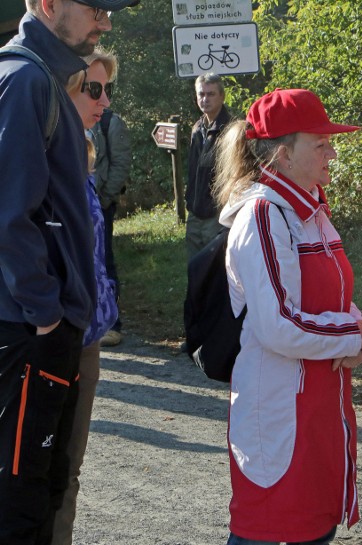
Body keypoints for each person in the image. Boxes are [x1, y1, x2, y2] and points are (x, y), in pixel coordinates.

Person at [212, 88, 362, 545]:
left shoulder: (311, 210)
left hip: (320, 402)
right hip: (281, 410)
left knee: (314, 529)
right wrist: (353, 337)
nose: (333, 151)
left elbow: (337, 298)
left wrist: (357, 330)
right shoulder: (263, 215)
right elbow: (277, 325)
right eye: (320, 143)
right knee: (267, 531)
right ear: (283, 155)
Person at [0, 0, 135, 543]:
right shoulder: (25, 79)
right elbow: (10, 218)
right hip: (31, 333)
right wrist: (48, 318)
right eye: (97, 8)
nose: (105, 21)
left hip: (47, 331)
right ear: (48, 4)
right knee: (21, 505)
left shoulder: (45, 78)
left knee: (45, 491)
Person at [51, 48, 120, 545]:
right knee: (37, 468)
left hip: (87, 336)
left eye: (106, 90)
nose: (103, 99)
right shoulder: (43, 149)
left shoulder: (86, 151)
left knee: (69, 469)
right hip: (52, 333)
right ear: (66, 89)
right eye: (92, 89)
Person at [90, 106, 131, 347]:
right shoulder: (66, 116)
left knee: (104, 262)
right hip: (74, 205)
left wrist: (103, 200)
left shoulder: (111, 123)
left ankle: (112, 324)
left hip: (100, 206)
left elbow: (120, 164)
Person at [186, 71, 231, 258]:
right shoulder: (197, 129)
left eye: (211, 94)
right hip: (195, 214)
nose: (205, 99)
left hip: (217, 214)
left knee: (215, 272)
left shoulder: (231, 129)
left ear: (221, 96)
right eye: (201, 94)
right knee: (194, 269)